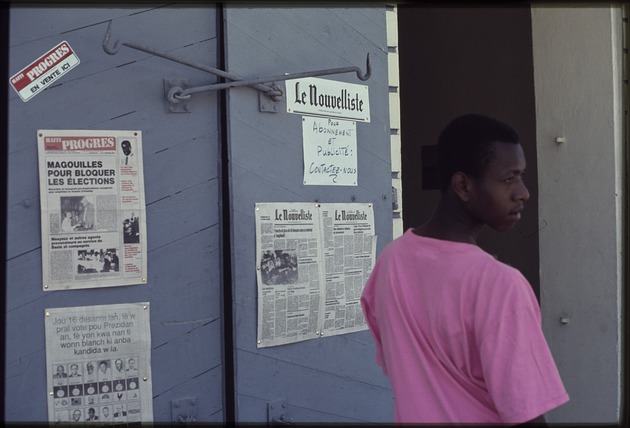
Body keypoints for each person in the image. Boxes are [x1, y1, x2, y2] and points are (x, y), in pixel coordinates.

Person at [361, 114, 569, 424]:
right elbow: (526, 415)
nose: (523, 192)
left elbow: (401, 368)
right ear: (462, 185)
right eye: (509, 178)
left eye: (521, 176)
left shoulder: (391, 261)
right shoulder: (500, 285)